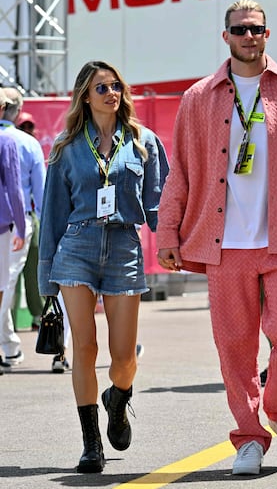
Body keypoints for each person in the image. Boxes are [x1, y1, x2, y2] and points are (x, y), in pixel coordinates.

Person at [156, 0, 277, 476]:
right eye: (239, 29)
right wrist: (168, 233)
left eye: (256, 28)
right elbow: (181, 172)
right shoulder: (198, 97)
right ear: (226, 36)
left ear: (267, 33)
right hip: (223, 243)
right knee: (235, 348)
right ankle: (249, 438)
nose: (248, 36)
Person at [38, 60, 169, 473]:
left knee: (124, 356)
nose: (111, 93)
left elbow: (157, 203)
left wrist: (170, 241)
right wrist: (46, 282)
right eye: (101, 88)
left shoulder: (143, 141)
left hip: (124, 248)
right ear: (84, 96)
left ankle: (118, 397)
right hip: (77, 245)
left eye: (116, 86)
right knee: (84, 347)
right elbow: (54, 215)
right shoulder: (66, 147)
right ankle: (91, 443)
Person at [0, 87, 46, 367]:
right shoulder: (23, 143)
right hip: (16, 221)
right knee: (8, 282)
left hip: (14, 221)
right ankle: (7, 343)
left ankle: (10, 344)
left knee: (8, 283)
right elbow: (32, 193)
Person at [0, 89, 26, 374]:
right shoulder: (7, 141)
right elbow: (14, 188)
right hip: (2, 227)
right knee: (1, 286)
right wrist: (21, 224)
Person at [13, 112, 44, 331]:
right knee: (10, 274)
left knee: (33, 271)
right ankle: (11, 323)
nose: (27, 129)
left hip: (29, 216)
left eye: (29, 126)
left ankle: (38, 316)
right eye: (23, 125)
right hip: (16, 216)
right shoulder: (21, 144)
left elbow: (40, 190)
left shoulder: (29, 145)